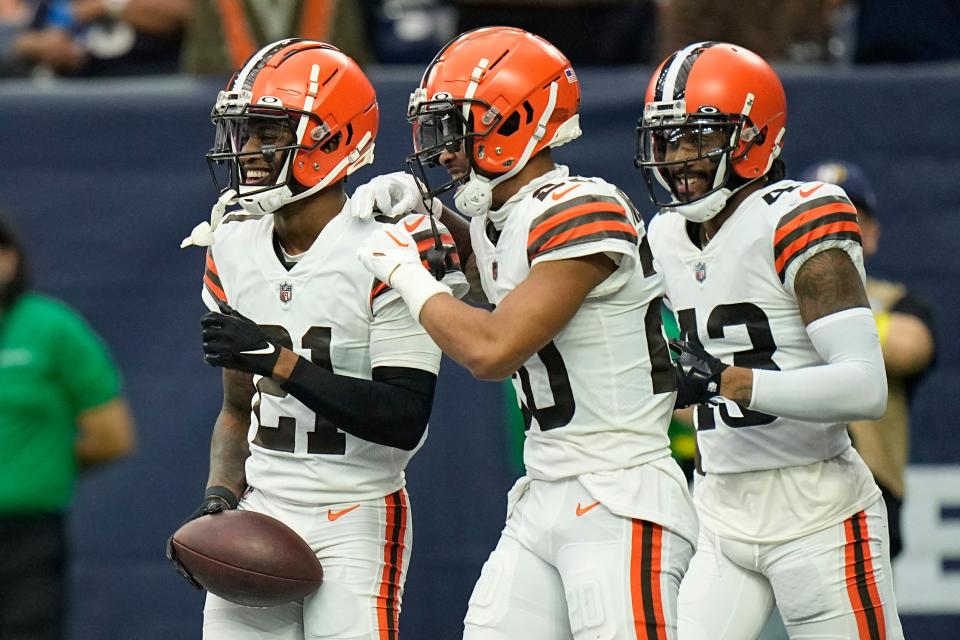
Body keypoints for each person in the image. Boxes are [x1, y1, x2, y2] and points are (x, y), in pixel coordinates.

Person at [357, 26, 698, 639]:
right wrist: (429, 214)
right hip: (545, 491)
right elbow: (496, 264)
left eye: (457, 129)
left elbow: (491, 349)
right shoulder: (502, 215)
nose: (443, 153)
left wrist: (405, 271)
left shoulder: (582, 207)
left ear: (515, 120)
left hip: (621, 494)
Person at [166, 38, 467, 639]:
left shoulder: (389, 244)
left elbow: (402, 417)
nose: (246, 150)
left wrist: (280, 364)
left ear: (331, 137)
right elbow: (235, 410)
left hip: (355, 510)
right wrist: (221, 496)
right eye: (242, 131)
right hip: (265, 507)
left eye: (266, 132)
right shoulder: (233, 242)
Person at [635, 41, 904, 638]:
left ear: (754, 137)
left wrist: (729, 380)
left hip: (819, 510)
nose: (678, 157)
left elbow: (864, 386)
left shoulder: (798, 217)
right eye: (668, 138)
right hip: (718, 506)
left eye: (698, 137)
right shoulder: (666, 235)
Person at [0, 213, 135, 640]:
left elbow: (111, 436)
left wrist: (39, 466)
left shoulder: (51, 329)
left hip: (25, 540)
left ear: (9, 259)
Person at [801, 160, 936, 560]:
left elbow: (912, 347)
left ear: (872, 234)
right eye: (816, 218)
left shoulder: (898, 302)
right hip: (778, 482)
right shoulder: (762, 299)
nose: (831, 231)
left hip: (869, 490)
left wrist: (823, 307)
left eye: (847, 218)